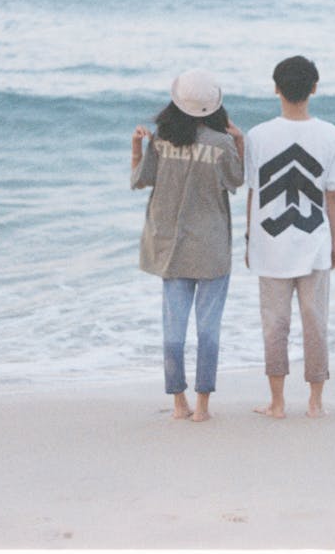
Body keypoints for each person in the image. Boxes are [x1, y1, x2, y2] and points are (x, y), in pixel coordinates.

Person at [131, 69, 245, 422]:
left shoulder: (162, 141)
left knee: (174, 327)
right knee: (208, 329)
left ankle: (179, 404)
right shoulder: (221, 144)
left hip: (171, 247)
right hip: (210, 248)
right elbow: (237, 180)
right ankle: (203, 407)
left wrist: (138, 145)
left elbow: (140, 180)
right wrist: (239, 141)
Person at [244, 56, 335, 419]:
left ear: (275, 88)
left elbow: (254, 192)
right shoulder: (333, 135)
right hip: (314, 240)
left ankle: (277, 402)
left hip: (269, 243)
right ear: (314, 88)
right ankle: (316, 402)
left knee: (274, 323)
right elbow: (332, 194)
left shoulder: (257, 135)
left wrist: (248, 239)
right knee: (315, 320)